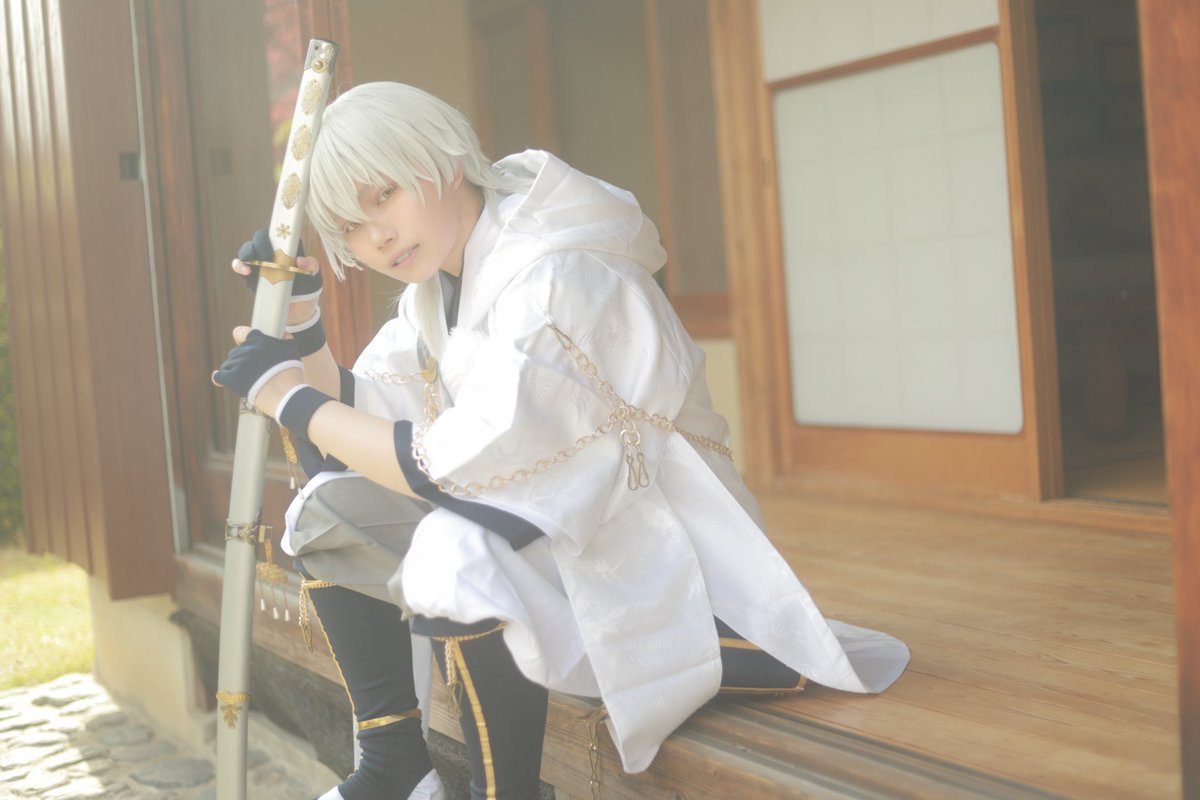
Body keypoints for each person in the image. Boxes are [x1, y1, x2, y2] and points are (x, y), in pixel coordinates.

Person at [214, 81, 910, 800]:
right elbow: (352, 436)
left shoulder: (555, 272)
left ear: (445, 157)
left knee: (455, 549)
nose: (378, 236)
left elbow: (458, 467)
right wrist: (301, 323)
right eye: (352, 228)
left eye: (383, 196)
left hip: (659, 561)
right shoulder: (436, 288)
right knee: (327, 510)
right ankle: (395, 772)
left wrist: (287, 397)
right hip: (563, 543)